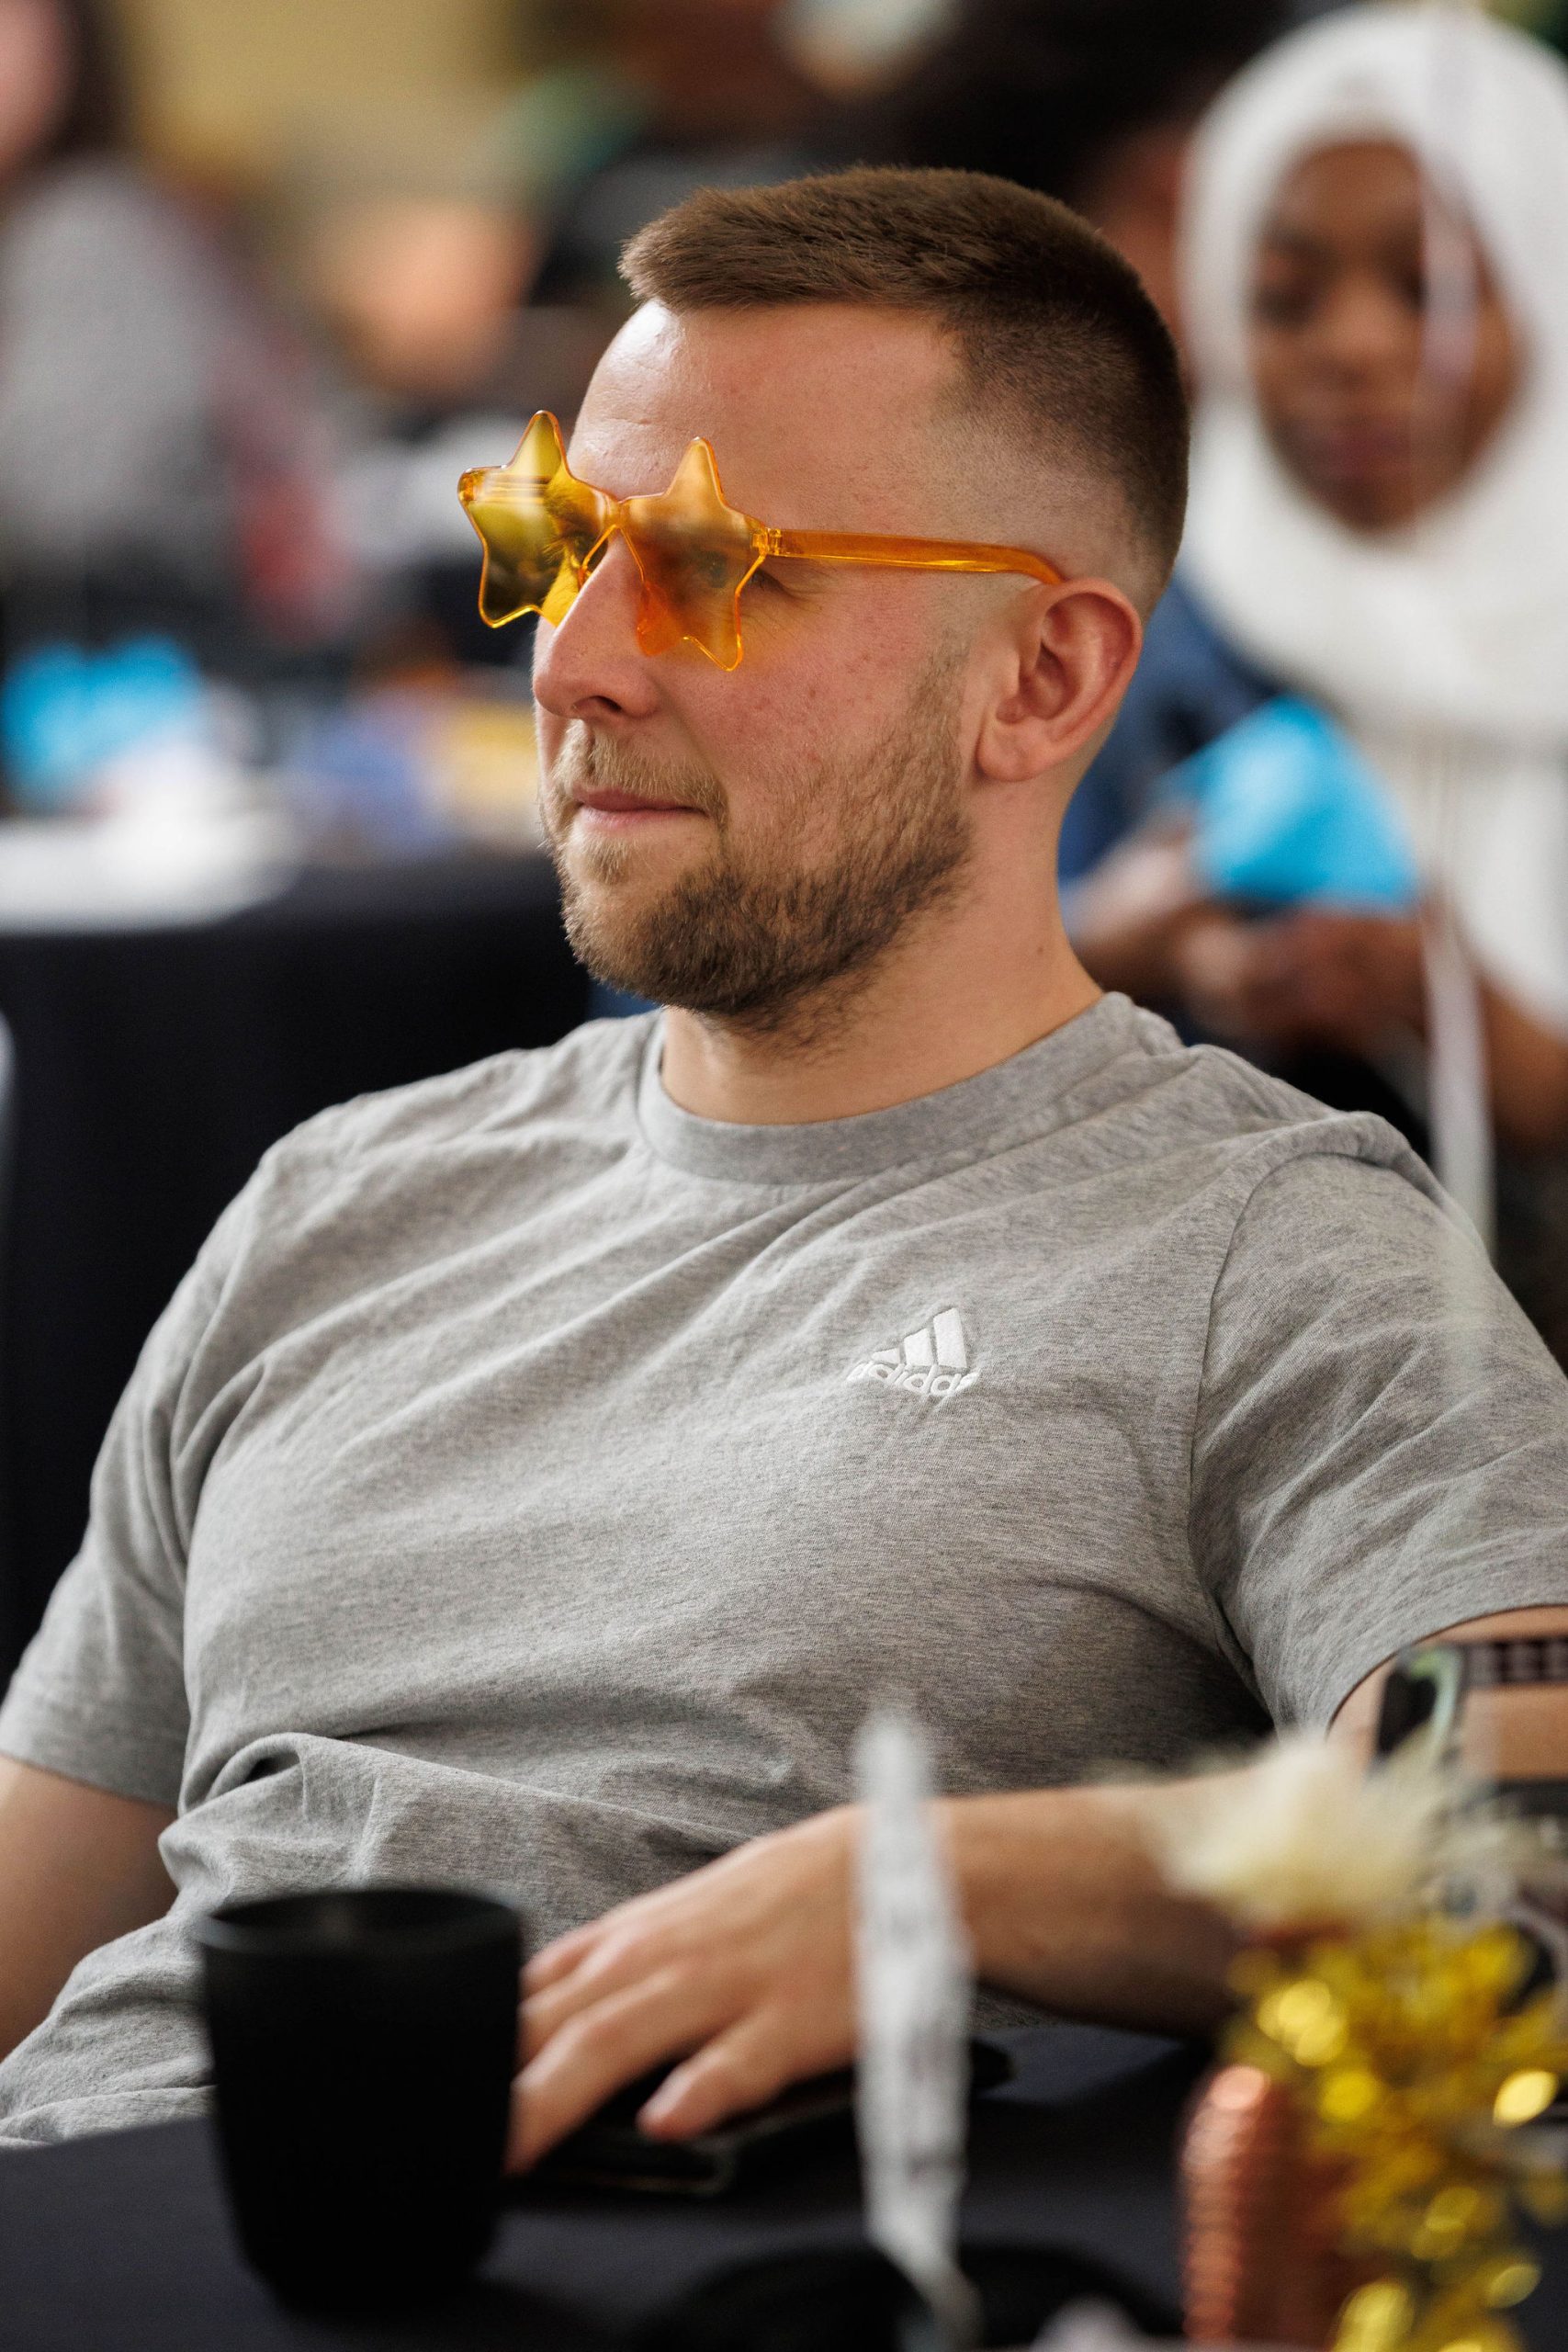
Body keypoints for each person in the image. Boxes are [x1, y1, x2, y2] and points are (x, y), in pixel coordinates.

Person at [0, 167, 1564, 2163]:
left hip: (600, 2246)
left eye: (709, 566)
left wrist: (932, 1885)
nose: (571, 663)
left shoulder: (1269, 1252)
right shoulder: (339, 1198)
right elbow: (37, 1935)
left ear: (1044, 677)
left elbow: (1514, 1843)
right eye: (562, 548)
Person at [1068, 10, 1568, 1181]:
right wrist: (1111, 942)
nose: (1352, 348)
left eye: (1431, 290)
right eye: (1284, 298)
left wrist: (1453, 1008)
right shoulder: (1127, 627)